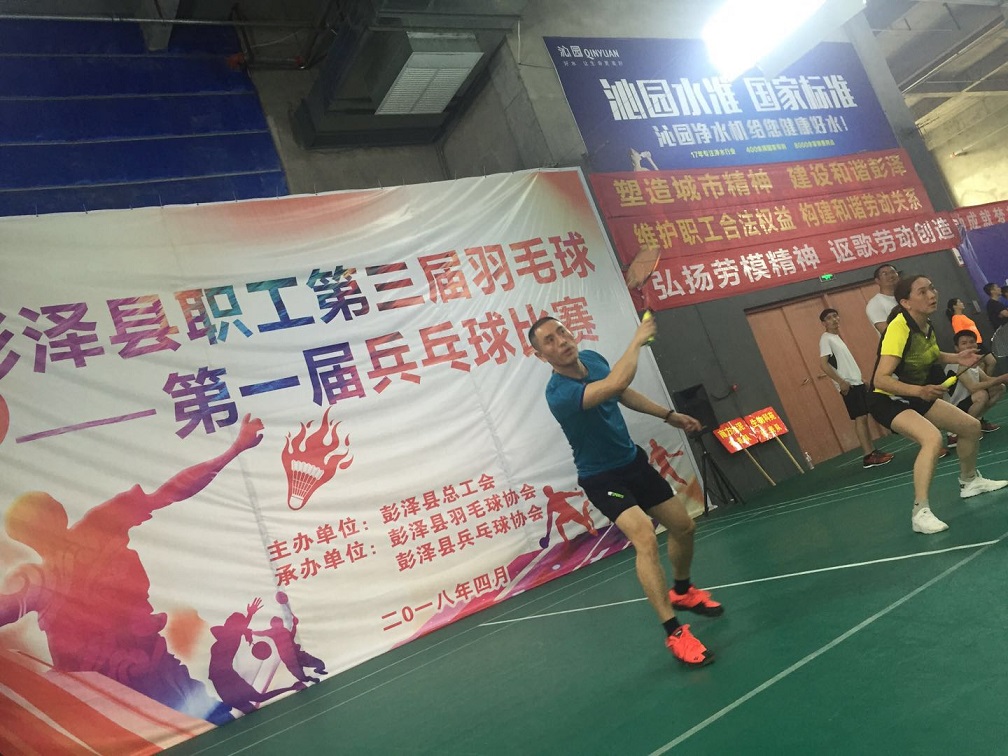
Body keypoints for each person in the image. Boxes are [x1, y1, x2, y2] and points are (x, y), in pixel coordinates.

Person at [0, 414, 265, 723]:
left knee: (215, 722)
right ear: (27, 534)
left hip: (157, 669)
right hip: (106, 700)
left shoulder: (99, 526)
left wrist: (233, 450)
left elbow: (170, 492)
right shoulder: (35, 580)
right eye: (37, 520)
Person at [529, 315, 720, 667]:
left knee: (684, 527)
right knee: (645, 536)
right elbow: (617, 381)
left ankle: (682, 591)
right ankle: (675, 633)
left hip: (632, 462)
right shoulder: (559, 394)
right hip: (602, 479)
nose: (562, 341)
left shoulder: (593, 360)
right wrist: (637, 340)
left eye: (562, 332)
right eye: (550, 341)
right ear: (542, 356)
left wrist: (669, 415)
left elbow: (621, 391)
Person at [870, 276, 1007, 534]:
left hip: (916, 394)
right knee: (932, 439)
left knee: (970, 427)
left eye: (932, 288)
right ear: (906, 302)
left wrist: (957, 357)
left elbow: (932, 355)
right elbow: (881, 378)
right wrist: (919, 390)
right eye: (922, 292)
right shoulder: (898, 328)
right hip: (888, 398)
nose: (932, 294)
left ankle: (969, 482)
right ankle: (919, 512)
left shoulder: (925, 324)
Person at [818, 308, 894, 468]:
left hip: (856, 382)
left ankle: (872, 451)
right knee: (860, 418)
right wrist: (841, 381)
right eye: (829, 318)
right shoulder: (826, 339)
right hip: (848, 385)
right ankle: (868, 456)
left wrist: (860, 379)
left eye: (835, 316)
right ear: (824, 323)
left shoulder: (836, 338)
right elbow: (823, 364)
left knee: (864, 417)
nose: (834, 320)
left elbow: (844, 363)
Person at [944, 329, 1005, 446]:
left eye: (972, 342)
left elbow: (988, 380)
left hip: (966, 403)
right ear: (956, 348)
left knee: (999, 388)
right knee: (981, 394)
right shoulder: (956, 364)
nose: (969, 345)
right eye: (964, 343)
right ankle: (956, 433)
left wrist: (1002, 379)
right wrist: (1001, 378)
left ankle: (978, 421)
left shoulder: (972, 364)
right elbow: (972, 388)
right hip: (953, 410)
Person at [945, 298, 997, 375]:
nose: (962, 303)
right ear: (954, 306)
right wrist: (968, 345)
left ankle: (985, 380)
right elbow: (960, 333)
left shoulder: (963, 316)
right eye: (959, 302)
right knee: (987, 363)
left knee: (985, 364)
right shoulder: (956, 318)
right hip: (973, 344)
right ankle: (985, 380)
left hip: (977, 342)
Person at [866, 263, 899, 336]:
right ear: (877, 281)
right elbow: (887, 331)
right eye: (885, 274)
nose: (891, 276)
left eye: (893, 272)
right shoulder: (875, 304)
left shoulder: (908, 295)